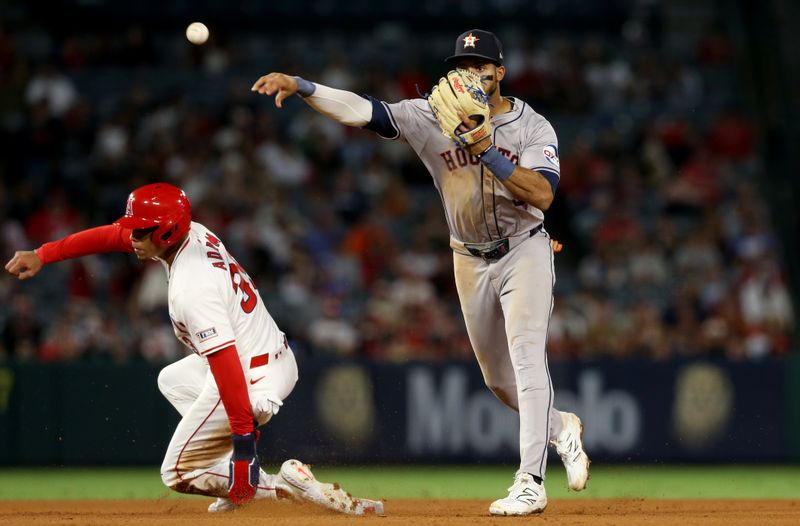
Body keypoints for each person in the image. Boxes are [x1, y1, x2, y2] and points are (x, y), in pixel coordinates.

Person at [251, 29, 590, 516]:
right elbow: (362, 110)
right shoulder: (430, 113)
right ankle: (560, 429)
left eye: (481, 67)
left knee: (526, 359)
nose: (471, 74)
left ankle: (530, 482)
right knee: (497, 381)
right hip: (468, 255)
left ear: (501, 73)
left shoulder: (532, 127)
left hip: (525, 248)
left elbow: (541, 194)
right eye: (463, 65)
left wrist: (483, 147)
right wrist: (304, 86)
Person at [4, 183, 382, 516]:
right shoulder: (189, 233)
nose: (132, 237)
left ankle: (283, 485)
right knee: (173, 379)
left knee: (177, 472)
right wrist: (45, 254)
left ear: (166, 231)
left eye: (141, 232)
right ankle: (239, 477)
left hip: (250, 377)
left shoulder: (192, 286)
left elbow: (226, 366)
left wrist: (245, 451)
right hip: (270, 355)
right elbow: (111, 235)